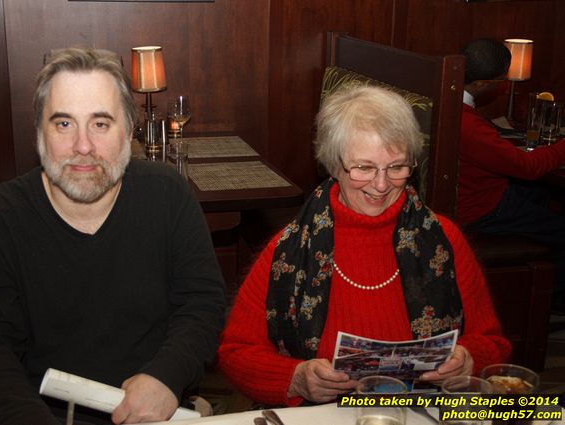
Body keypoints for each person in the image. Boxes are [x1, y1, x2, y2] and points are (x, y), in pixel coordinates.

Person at [0, 47, 226, 425]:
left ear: (128, 131)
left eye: (100, 123)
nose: (82, 146)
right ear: (38, 133)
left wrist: (166, 377)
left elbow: (202, 305)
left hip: (156, 414)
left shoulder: (168, 196)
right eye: (63, 124)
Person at [217, 85, 510, 406]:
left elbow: (492, 341)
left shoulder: (444, 240)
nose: (381, 184)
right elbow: (236, 352)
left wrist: (468, 360)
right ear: (333, 165)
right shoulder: (289, 249)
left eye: (397, 167)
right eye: (364, 167)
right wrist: (294, 378)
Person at [457, 38, 565, 312]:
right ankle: (547, 303)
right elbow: (527, 168)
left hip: (471, 194)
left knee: (539, 195)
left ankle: (532, 273)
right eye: (501, 80)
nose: (503, 84)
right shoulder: (468, 124)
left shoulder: (446, 100)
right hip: (482, 209)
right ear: (482, 84)